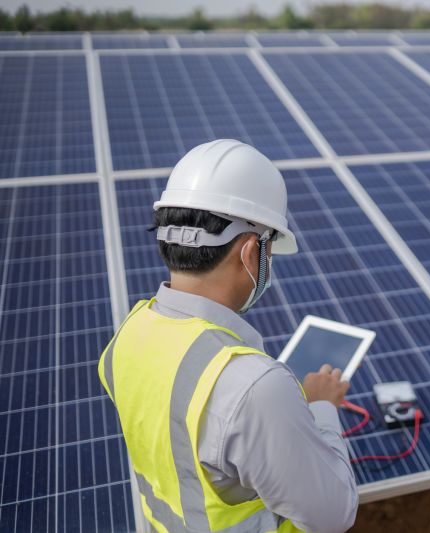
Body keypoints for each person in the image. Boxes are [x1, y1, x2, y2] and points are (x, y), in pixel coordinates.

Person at [98, 139, 358, 533]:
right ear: (250, 251)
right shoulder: (253, 387)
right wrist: (322, 408)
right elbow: (333, 516)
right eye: (270, 248)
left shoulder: (127, 337)